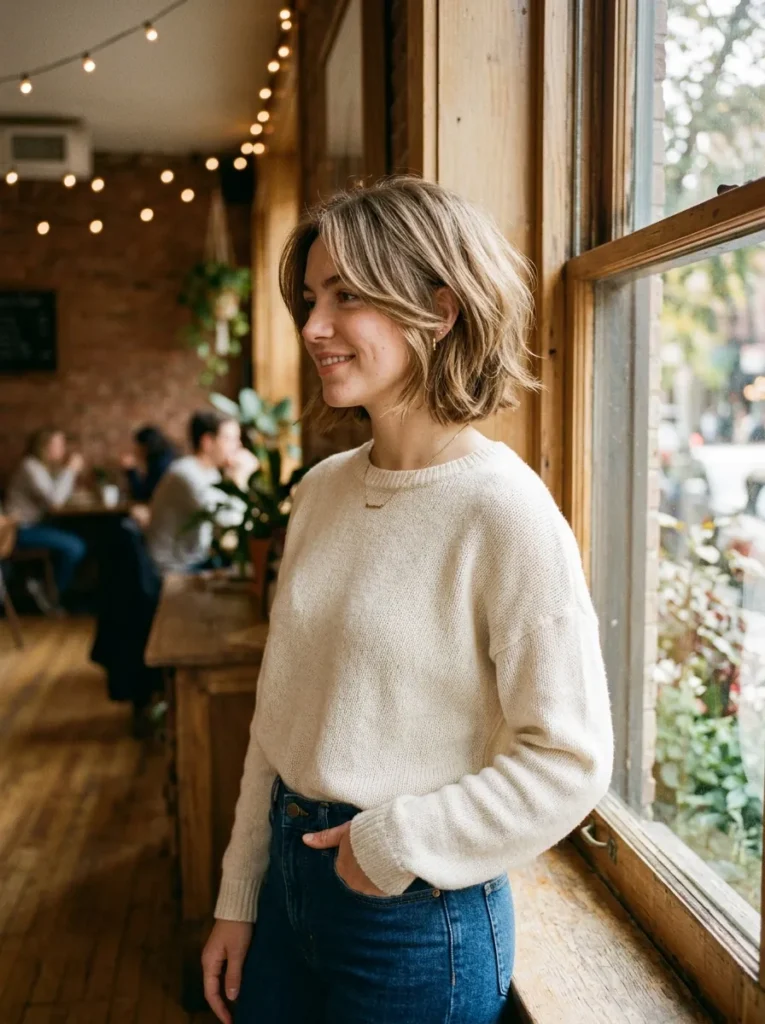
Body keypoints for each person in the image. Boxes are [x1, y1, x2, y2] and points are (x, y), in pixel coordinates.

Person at [202, 178, 614, 1024]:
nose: (313, 326)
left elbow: (569, 759)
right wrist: (239, 894)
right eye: (312, 297)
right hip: (287, 887)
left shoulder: (504, 511)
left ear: (439, 308)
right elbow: (277, 722)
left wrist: (395, 844)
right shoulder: (318, 492)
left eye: (346, 295)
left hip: (415, 918)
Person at [146, 410, 256, 575]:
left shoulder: (208, 473)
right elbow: (232, 520)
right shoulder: (186, 475)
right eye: (230, 439)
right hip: (173, 569)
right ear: (207, 442)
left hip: (193, 561)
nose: (238, 446)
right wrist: (241, 478)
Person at [5, 428, 87, 610]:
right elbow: (55, 501)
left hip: (34, 525)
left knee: (81, 536)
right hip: (18, 530)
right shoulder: (30, 467)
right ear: (43, 446)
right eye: (58, 444)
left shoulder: (42, 468)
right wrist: (70, 469)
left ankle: (46, 588)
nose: (62, 449)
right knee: (75, 547)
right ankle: (51, 594)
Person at [120, 425, 178, 502]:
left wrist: (131, 470)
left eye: (138, 447)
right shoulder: (167, 456)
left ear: (146, 446)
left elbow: (142, 495)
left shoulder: (159, 465)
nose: (136, 451)